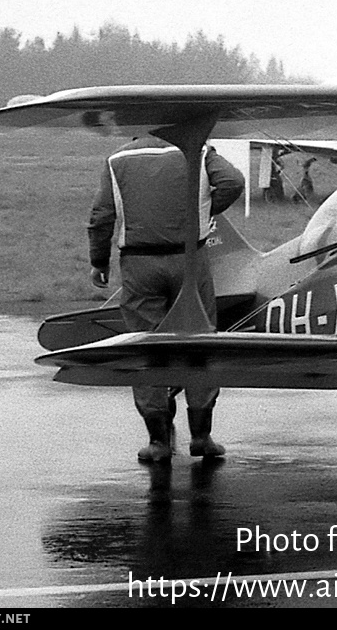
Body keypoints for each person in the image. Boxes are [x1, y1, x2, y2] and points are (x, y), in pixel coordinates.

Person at [88, 135, 244, 463]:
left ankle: (159, 442)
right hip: (190, 260)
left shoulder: (117, 160)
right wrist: (202, 211)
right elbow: (233, 181)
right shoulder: (197, 149)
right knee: (199, 343)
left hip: (139, 264)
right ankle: (202, 437)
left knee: (148, 349)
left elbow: (102, 217)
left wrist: (98, 262)